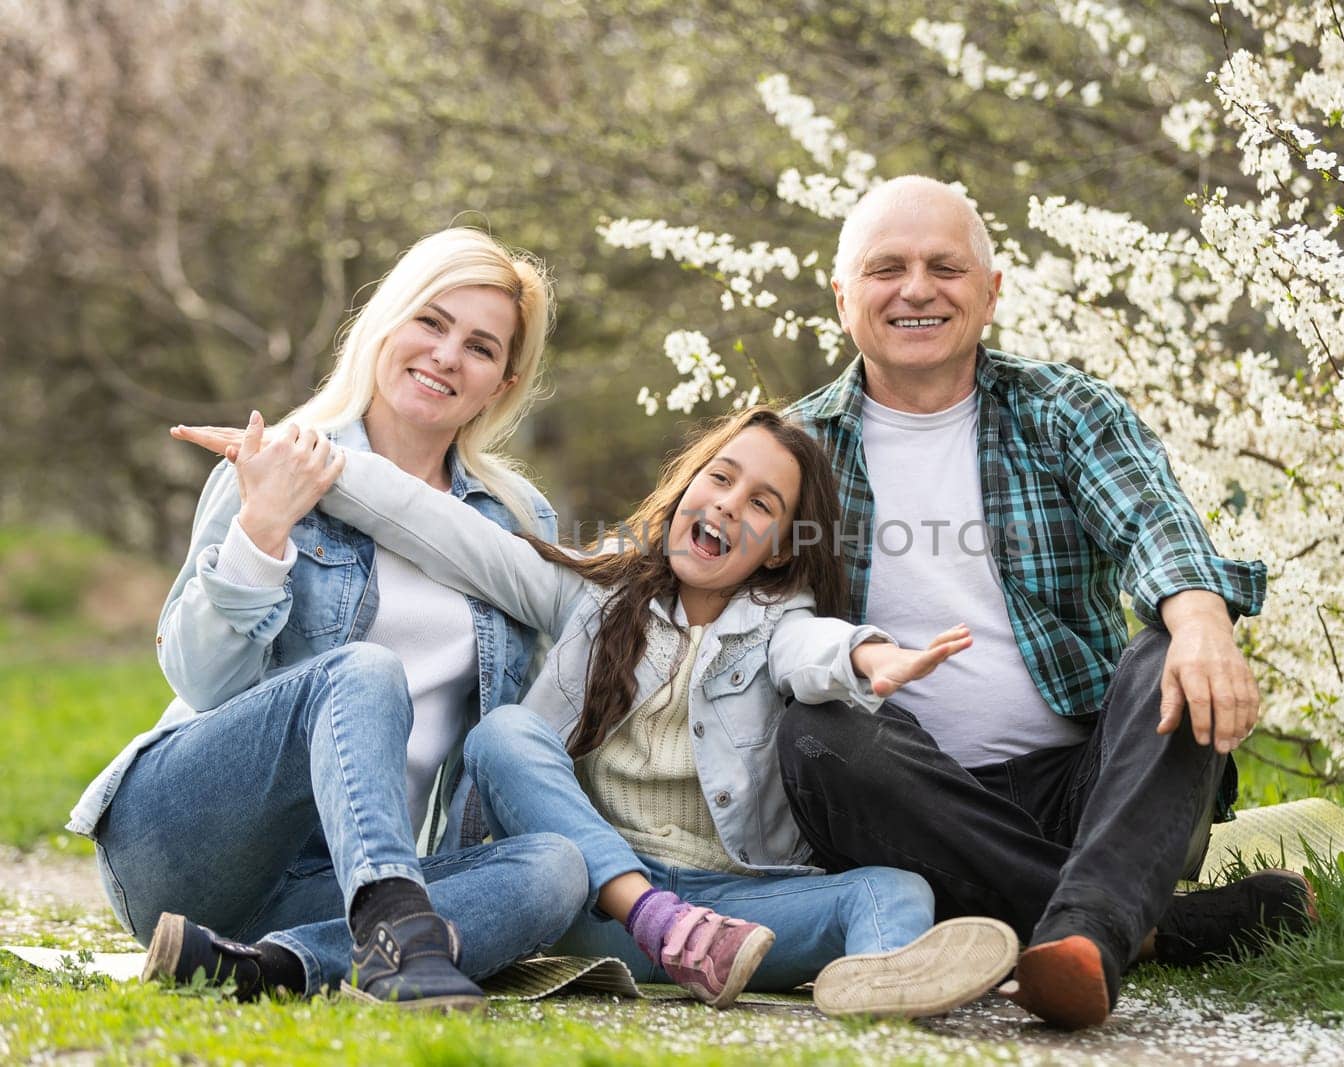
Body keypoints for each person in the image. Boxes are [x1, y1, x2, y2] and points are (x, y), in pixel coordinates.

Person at [178, 405, 1021, 1016]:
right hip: (600, 907)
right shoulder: (591, 594)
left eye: (763, 504)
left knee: (889, 886)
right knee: (507, 733)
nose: (730, 504)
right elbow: (442, 528)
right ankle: (659, 923)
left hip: (735, 918)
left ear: (782, 546)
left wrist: (876, 658)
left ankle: (883, 977)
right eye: (720, 477)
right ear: (686, 486)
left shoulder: (781, 629)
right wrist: (303, 457)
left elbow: (821, 651)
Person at [779, 175, 1319, 1029]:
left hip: (1093, 789)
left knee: (1164, 650)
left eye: (944, 267)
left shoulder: (1064, 411)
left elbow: (1154, 522)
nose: (917, 289)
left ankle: (1072, 918)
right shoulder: (794, 449)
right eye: (887, 268)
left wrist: (1203, 617)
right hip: (909, 801)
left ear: (991, 293)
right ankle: (1117, 924)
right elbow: (732, 612)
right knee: (814, 728)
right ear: (843, 296)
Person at [68, 228, 588, 1012]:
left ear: (500, 384)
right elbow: (200, 680)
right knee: (362, 671)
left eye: (479, 347)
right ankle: (395, 929)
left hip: (331, 887)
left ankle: (276, 966)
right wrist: (263, 532)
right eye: (431, 322)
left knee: (557, 866)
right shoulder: (273, 459)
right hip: (186, 846)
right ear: (385, 322)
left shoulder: (515, 520)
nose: (447, 355)